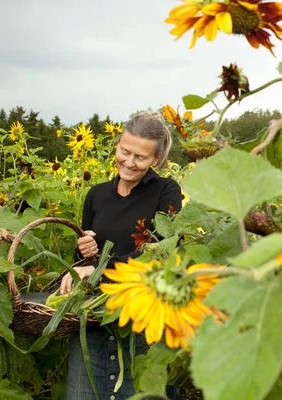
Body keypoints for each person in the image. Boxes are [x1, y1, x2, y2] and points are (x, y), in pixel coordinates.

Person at [60, 112, 182, 400]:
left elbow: (165, 250)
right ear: (117, 145)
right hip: (95, 319)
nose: (129, 162)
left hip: (143, 318)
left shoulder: (166, 191)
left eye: (140, 157)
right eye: (124, 151)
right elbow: (83, 260)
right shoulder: (96, 195)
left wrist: (102, 268)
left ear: (156, 158)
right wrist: (84, 251)